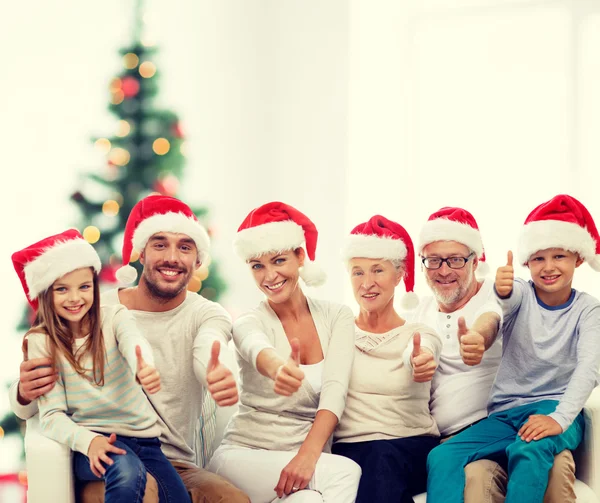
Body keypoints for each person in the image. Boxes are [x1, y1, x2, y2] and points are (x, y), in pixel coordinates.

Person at [9, 195, 249, 503]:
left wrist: (212, 371)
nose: (172, 257)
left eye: (185, 247)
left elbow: (208, 345)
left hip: (173, 462)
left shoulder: (206, 314)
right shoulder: (92, 306)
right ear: (140, 251)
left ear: (197, 260)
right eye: (160, 244)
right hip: (104, 455)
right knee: (140, 488)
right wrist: (24, 392)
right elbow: (31, 406)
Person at [426, 194, 600, 503]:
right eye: (538, 258)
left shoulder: (589, 310)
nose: (548, 267)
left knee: (529, 449)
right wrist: (494, 306)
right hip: (506, 414)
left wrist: (559, 418)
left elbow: (590, 368)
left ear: (579, 258)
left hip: (556, 409)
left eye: (559, 256)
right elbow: (499, 307)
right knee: (442, 456)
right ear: (526, 263)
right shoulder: (520, 291)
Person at [11, 229, 190, 503]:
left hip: (146, 442)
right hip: (93, 439)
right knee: (127, 474)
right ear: (46, 294)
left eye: (84, 287)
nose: (75, 298)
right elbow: (51, 416)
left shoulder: (114, 316)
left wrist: (142, 363)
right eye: (62, 289)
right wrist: (89, 442)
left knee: (178, 498)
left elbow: (133, 340)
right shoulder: (42, 341)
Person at [208, 201, 361, 502]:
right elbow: (257, 347)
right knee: (345, 473)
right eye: (257, 266)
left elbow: (335, 391)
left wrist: (307, 455)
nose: (269, 276)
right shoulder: (249, 322)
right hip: (244, 457)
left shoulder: (337, 316)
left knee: (310, 500)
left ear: (300, 256)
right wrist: (278, 367)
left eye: (279, 261)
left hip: (300, 462)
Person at [332, 215, 442, 502]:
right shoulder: (336, 335)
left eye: (377, 270)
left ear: (399, 274)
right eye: (358, 272)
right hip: (351, 448)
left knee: (381, 461)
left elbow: (422, 352)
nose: (367, 283)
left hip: (411, 445)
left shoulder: (419, 333)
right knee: (366, 465)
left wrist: (420, 360)